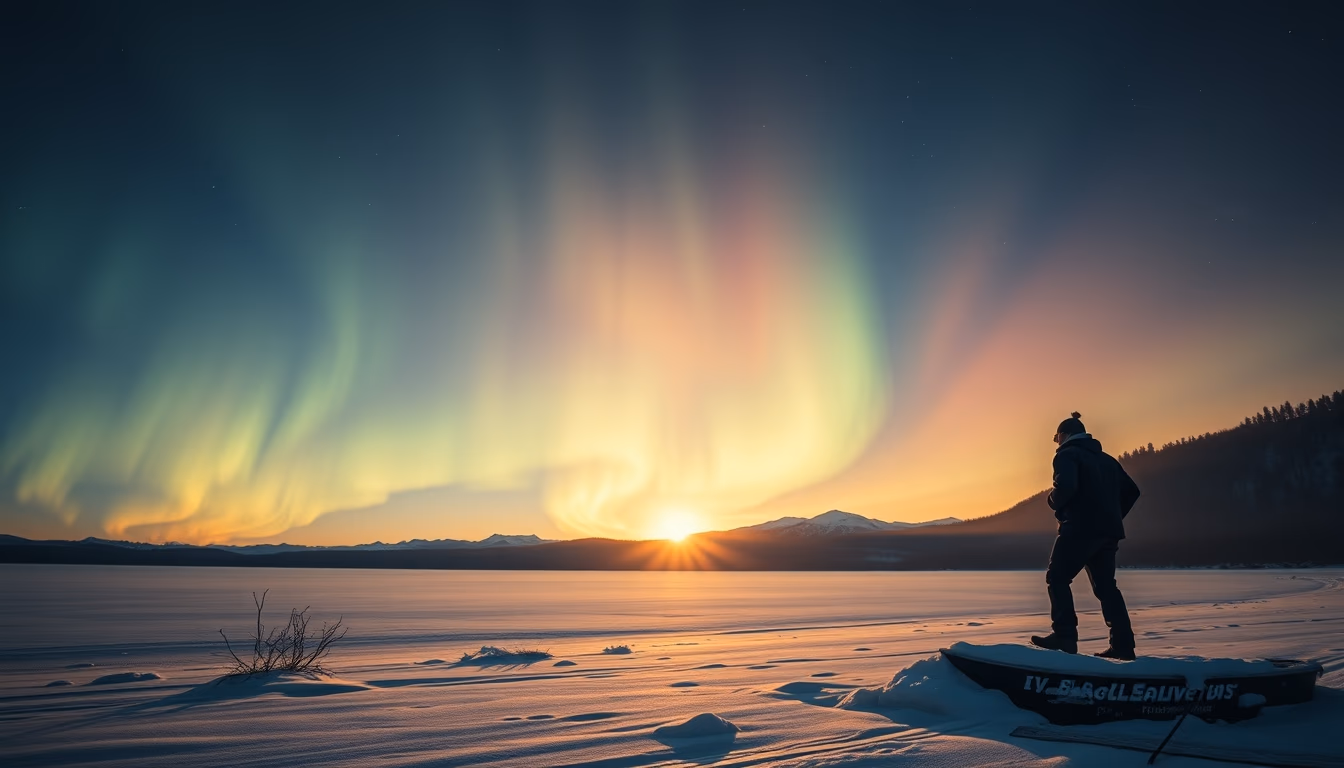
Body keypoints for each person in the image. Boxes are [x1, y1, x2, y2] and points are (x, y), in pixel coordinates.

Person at [1030, 412, 1141, 660]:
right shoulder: (1108, 461)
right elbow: (1132, 491)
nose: (1056, 442)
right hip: (1108, 534)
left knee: (1057, 578)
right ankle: (1123, 645)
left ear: (1065, 435)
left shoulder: (1067, 455)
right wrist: (1112, 516)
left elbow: (1066, 486)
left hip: (1079, 529)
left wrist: (1053, 502)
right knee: (1106, 588)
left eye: (1056, 437)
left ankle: (1064, 637)